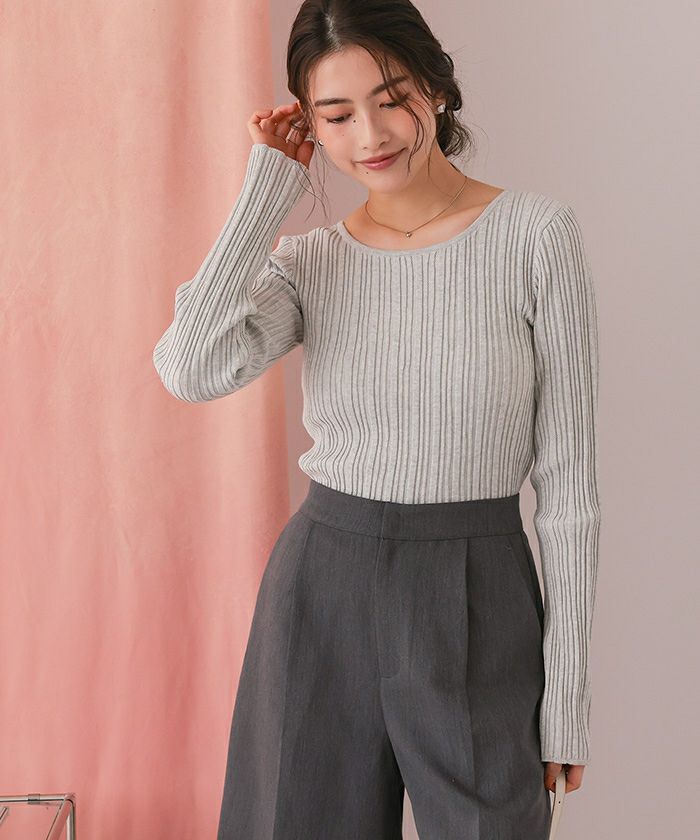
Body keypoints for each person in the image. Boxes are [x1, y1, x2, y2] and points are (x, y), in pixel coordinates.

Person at [152, 1, 601, 837]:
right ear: (308, 126)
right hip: (323, 588)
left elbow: (570, 491)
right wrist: (266, 192)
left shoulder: (535, 237)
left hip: (478, 590)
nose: (370, 134)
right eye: (336, 115)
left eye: (391, 97)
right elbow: (189, 366)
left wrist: (566, 700)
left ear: (436, 85)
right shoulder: (310, 263)